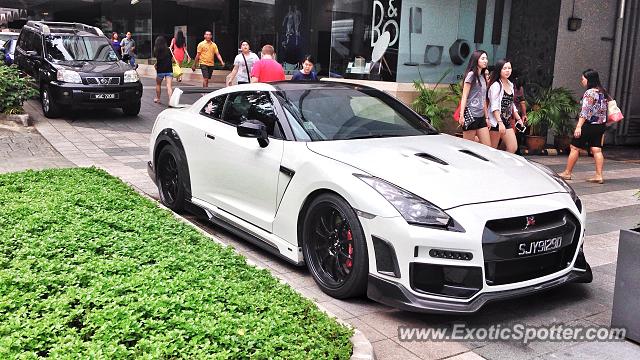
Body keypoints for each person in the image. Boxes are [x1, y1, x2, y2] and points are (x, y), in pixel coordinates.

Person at [558, 69, 610, 184]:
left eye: (583, 79)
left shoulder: (589, 93)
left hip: (589, 125)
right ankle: (599, 175)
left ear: (589, 80)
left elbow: (585, 111)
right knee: (596, 149)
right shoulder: (603, 91)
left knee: (574, 147)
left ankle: (567, 173)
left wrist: (578, 126)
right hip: (600, 125)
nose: (581, 81)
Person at [487, 59, 523, 153]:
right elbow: (494, 107)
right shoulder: (496, 85)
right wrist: (500, 122)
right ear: (499, 70)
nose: (507, 70)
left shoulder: (510, 84)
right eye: (505, 68)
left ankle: (502, 165)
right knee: (491, 150)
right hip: (496, 121)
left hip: (506, 121)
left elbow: (511, 104)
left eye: (509, 68)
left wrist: (518, 118)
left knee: (513, 147)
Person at [458, 50, 491, 146]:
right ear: (476, 60)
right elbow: (464, 96)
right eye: (483, 58)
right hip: (471, 115)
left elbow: (483, 99)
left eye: (486, 58)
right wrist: (461, 115)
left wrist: (487, 117)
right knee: (469, 147)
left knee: (487, 146)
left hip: (481, 116)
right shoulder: (471, 75)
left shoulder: (482, 77)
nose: (485, 61)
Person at [153, 36, 173, 104]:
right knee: (169, 85)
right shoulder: (168, 49)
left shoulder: (156, 50)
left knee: (158, 84)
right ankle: (170, 101)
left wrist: (156, 64)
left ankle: (158, 99)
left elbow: (159, 59)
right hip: (169, 69)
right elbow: (171, 59)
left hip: (160, 69)